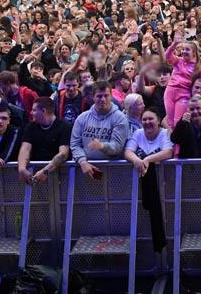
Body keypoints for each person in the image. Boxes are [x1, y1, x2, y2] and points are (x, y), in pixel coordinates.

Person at [124, 108, 173, 255]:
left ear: (158, 121)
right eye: (144, 119)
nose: (147, 122)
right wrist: (138, 161)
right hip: (142, 189)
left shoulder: (165, 133)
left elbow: (168, 152)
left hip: (166, 187)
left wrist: (147, 159)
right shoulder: (138, 133)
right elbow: (128, 152)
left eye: (151, 119)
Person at [70, 81, 130, 178]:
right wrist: (82, 162)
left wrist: (101, 146)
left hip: (113, 171)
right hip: (85, 169)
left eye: (106, 96)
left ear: (111, 96)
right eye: (99, 96)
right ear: (93, 97)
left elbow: (118, 146)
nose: (103, 99)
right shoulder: (82, 118)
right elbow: (75, 144)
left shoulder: (120, 118)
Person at [18, 97, 72, 184]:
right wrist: (22, 168)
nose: (31, 113)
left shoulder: (64, 126)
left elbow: (63, 154)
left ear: (43, 111)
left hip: (61, 175)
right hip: (36, 174)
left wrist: (45, 171)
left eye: (34, 110)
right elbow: (25, 149)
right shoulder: (30, 126)